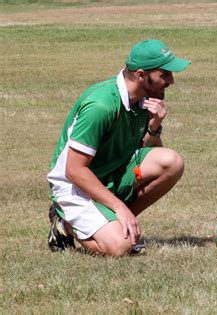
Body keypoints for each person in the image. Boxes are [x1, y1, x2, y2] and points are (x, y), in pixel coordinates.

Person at [47, 39, 191, 256]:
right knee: (120, 247)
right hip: (74, 185)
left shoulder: (143, 100)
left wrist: (153, 128)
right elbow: (74, 170)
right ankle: (64, 224)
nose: (171, 80)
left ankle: (116, 224)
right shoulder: (101, 106)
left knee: (172, 162)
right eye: (165, 74)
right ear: (141, 75)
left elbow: (149, 152)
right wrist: (119, 207)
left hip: (111, 172)